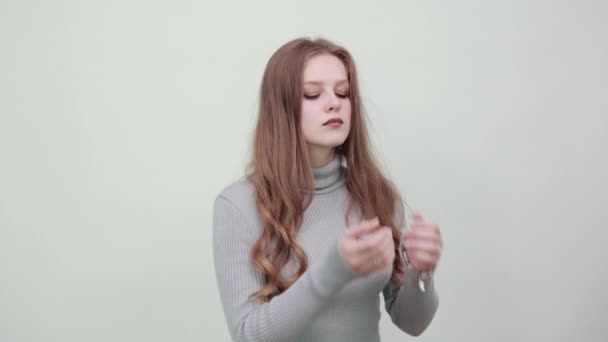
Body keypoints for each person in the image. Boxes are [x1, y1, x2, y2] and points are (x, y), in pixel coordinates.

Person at [212, 37, 443, 342]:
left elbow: (413, 323)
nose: (334, 102)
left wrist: (421, 273)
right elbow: (248, 335)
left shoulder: (377, 195)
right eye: (312, 94)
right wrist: (335, 268)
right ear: (281, 108)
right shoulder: (239, 205)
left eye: (343, 92)